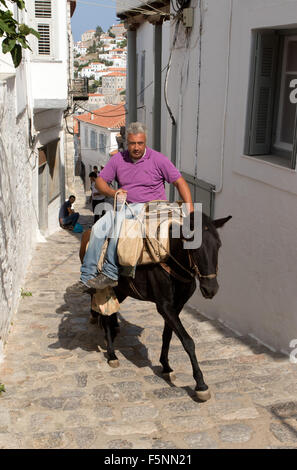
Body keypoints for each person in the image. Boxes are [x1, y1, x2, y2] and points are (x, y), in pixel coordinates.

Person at [69, 122, 194, 293]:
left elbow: (180, 182)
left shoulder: (158, 159)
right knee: (98, 227)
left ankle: (111, 272)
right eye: (132, 143)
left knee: (119, 224)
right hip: (127, 207)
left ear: (145, 142)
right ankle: (87, 277)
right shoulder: (118, 159)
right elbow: (99, 182)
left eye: (140, 143)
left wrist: (190, 211)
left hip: (152, 208)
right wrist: (113, 192)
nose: (136, 147)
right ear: (126, 142)